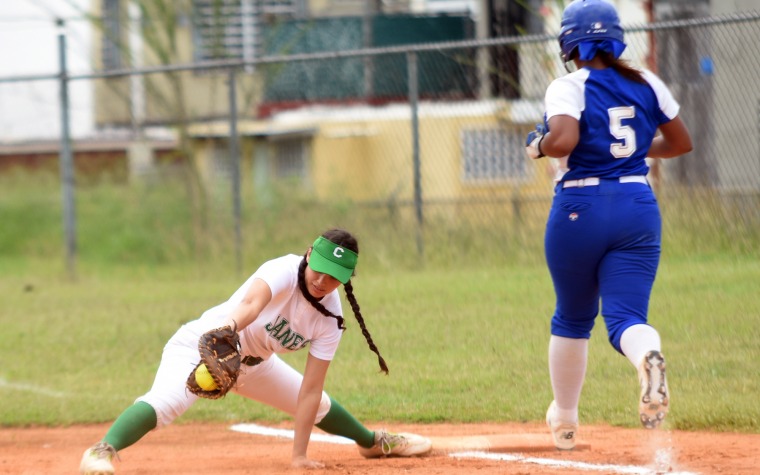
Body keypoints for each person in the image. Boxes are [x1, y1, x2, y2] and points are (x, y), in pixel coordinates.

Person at [80, 228, 432, 474]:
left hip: (256, 366)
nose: (323, 281)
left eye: (334, 276)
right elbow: (250, 305)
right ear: (309, 254)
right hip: (207, 346)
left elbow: (309, 390)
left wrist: (299, 456)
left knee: (319, 403)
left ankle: (371, 442)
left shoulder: (331, 320)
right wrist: (227, 330)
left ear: (347, 278)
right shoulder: (281, 270)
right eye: (320, 269)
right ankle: (101, 452)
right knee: (167, 403)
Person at [525, 0, 693, 451]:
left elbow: (564, 140)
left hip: (581, 203)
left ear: (569, 43)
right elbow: (680, 142)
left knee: (573, 316)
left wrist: (537, 146)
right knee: (626, 318)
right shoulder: (646, 81)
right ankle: (647, 357)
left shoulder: (569, 84)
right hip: (638, 203)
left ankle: (564, 420)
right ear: (616, 38)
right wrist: (635, 151)